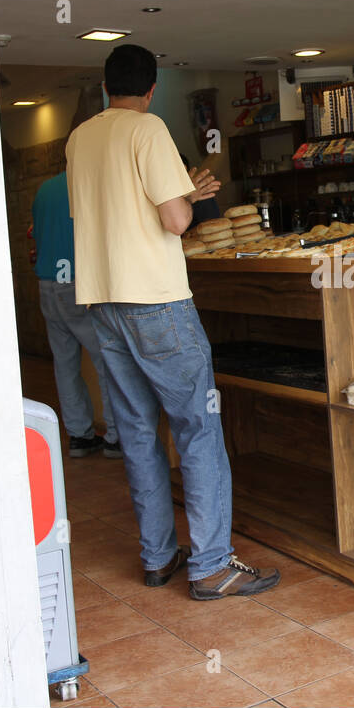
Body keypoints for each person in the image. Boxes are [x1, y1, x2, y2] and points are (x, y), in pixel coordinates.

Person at [66, 43, 280, 599]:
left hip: (103, 302)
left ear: (107, 85)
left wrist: (181, 189)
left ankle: (158, 558)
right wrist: (187, 195)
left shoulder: (81, 138)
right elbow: (176, 220)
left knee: (138, 432)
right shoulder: (148, 129)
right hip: (156, 300)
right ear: (152, 87)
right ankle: (210, 565)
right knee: (197, 429)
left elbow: (108, 212)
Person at [32, 171, 122, 458]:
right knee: (107, 360)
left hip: (48, 282)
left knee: (65, 364)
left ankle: (80, 436)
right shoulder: (87, 182)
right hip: (77, 282)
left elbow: (37, 233)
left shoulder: (45, 187)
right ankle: (115, 437)